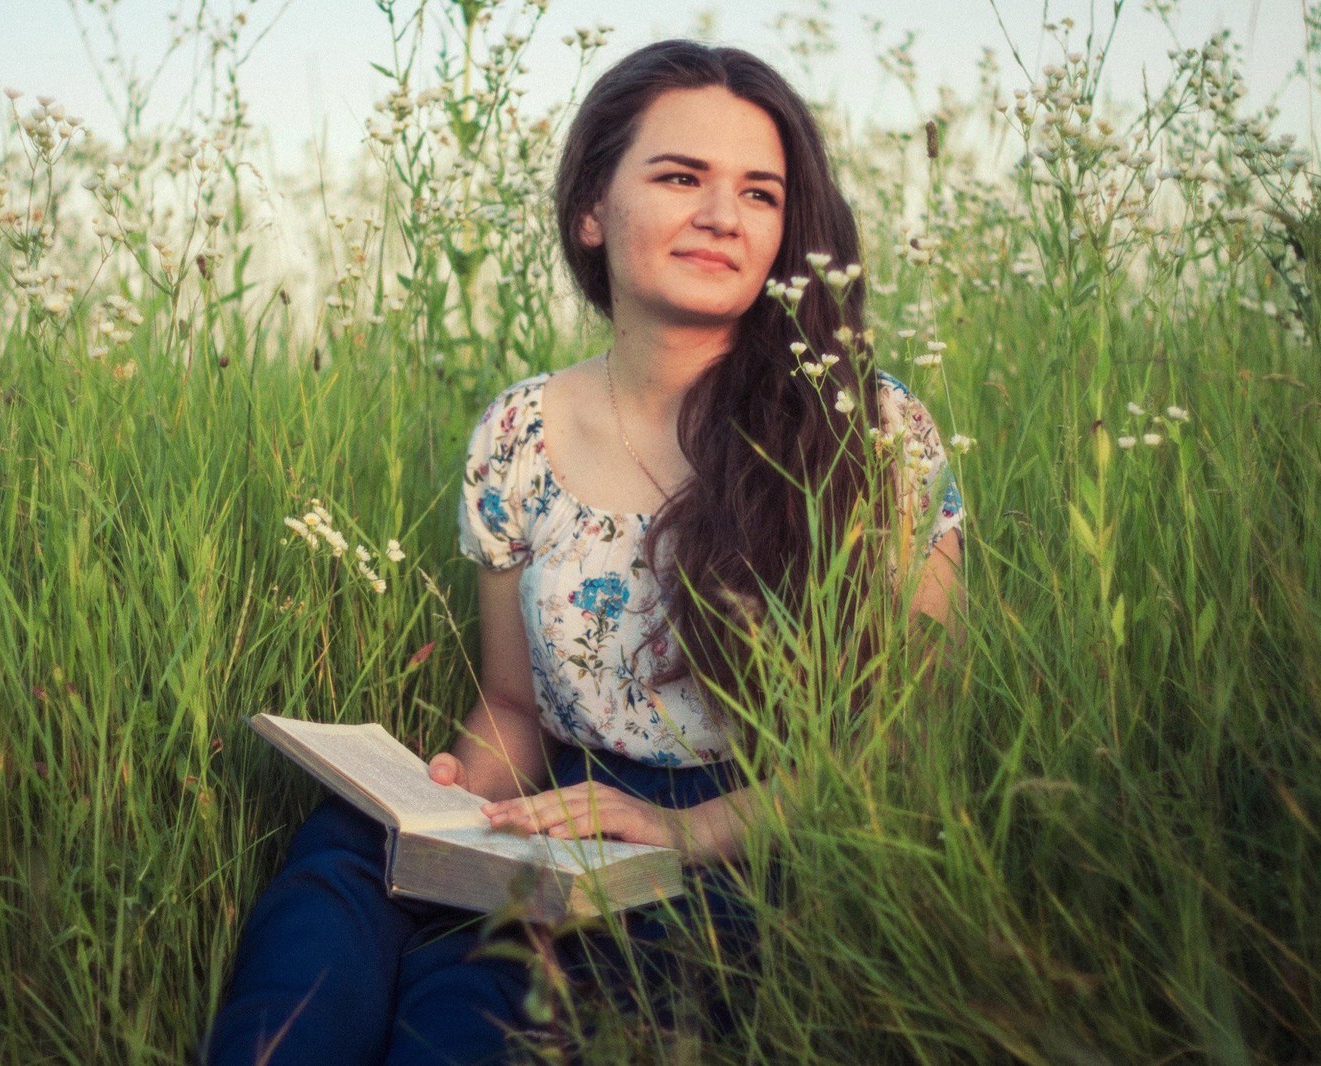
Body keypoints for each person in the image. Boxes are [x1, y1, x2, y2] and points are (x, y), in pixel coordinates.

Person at [205, 37, 963, 1066]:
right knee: (344, 850)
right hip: (564, 804)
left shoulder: (864, 429)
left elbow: (905, 734)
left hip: (753, 835)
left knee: (462, 1025)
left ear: (789, 231)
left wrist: (688, 831)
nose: (721, 216)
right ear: (591, 209)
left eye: (760, 192)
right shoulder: (516, 434)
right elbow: (514, 709)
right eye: (680, 176)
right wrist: (451, 792)